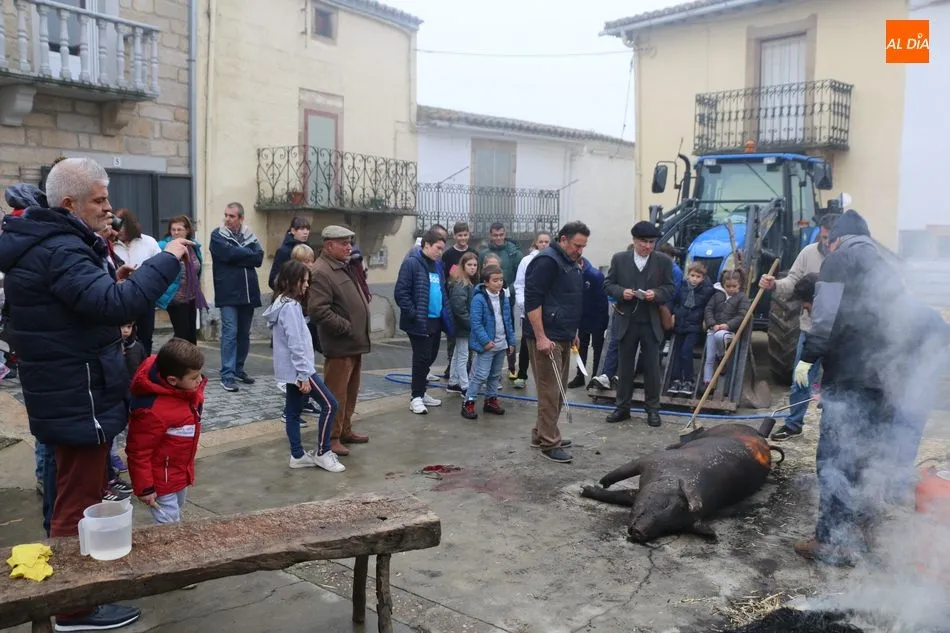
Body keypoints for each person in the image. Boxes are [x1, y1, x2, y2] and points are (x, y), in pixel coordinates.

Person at [0, 157, 191, 631]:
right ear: (70, 203)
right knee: (76, 501)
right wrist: (168, 258)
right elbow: (114, 306)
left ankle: (71, 594)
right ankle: (71, 609)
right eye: (100, 199)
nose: (109, 209)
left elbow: (86, 303)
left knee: (76, 494)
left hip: (73, 389)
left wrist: (113, 283)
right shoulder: (61, 247)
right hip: (77, 393)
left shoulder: (54, 243)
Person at [790, 209, 950, 565]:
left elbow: (825, 314)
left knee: (834, 459)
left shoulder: (836, 259)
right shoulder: (885, 268)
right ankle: (861, 533)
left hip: (849, 380)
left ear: (836, 238)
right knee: (866, 458)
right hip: (884, 383)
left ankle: (831, 541)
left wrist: (809, 356)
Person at [758, 213, 838, 440]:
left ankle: (833, 427)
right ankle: (794, 424)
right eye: (823, 237)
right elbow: (792, 282)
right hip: (810, 329)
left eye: (831, 238)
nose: (827, 243)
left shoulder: (846, 257)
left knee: (835, 383)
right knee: (800, 377)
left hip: (837, 332)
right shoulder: (808, 253)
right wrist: (774, 285)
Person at [265, 261, 345, 472]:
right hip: (300, 371)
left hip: (292, 370)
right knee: (330, 405)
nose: (307, 285)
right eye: (305, 281)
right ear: (293, 281)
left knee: (292, 411)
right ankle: (322, 452)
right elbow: (295, 343)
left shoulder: (282, 303)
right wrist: (303, 374)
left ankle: (298, 455)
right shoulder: (290, 307)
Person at [523, 221, 590, 463]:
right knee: (550, 392)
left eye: (583, 246)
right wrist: (540, 336)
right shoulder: (547, 261)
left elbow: (567, 299)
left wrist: (572, 331)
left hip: (562, 334)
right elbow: (532, 300)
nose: (579, 250)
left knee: (557, 391)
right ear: (563, 239)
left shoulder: (570, 263)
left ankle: (541, 434)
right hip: (547, 337)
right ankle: (550, 443)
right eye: (576, 245)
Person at [127, 338, 208, 523]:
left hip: (179, 471)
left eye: (200, 375)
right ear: (172, 380)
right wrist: (145, 488)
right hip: (160, 479)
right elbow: (138, 451)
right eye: (194, 378)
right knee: (168, 522)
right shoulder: (153, 410)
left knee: (177, 509)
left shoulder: (186, 391)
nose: (200, 380)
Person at [603, 222, 676, 427]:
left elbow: (670, 288)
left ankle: (653, 410)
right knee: (625, 367)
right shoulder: (620, 259)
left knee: (652, 368)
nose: (648, 246)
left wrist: (657, 294)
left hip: (651, 321)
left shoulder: (663, 261)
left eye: (652, 242)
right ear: (634, 240)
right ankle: (622, 407)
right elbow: (608, 284)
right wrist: (621, 292)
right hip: (627, 320)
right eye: (644, 242)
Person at [308, 225, 372, 455]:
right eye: (343, 243)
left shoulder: (342, 266)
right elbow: (318, 310)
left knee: (350, 392)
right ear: (328, 245)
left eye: (349, 242)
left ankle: (345, 429)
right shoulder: (322, 271)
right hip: (340, 345)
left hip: (353, 344)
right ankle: (331, 438)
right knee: (335, 395)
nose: (349, 247)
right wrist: (346, 326)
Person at [395, 229, 452, 414]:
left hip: (436, 319)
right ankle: (416, 397)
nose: (440, 252)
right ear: (426, 245)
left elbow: (441, 292)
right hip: (419, 320)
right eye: (438, 248)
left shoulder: (437, 267)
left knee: (430, 357)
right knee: (421, 359)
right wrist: (413, 313)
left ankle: (422, 391)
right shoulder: (412, 264)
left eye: (442, 249)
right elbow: (401, 293)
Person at [210, 202, 264, 392]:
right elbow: (227, 254)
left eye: (232, 216)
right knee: (230, 333)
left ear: (241, 218)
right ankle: (227, 375)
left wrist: (239, 255)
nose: (227, 219)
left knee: (243, 334)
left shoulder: (250, 235)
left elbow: (258, 258)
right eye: (226, 215)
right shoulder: (217, 235)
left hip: (248, 294)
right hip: (228, 294)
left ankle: (238, 369)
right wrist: (245, 254)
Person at [461, 264, 516, 420]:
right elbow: (476, 324)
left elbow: (508, 320)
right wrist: (486, 341)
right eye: (495, 280)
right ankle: (468, 402)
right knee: (480, 375)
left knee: (495, 375)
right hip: (487, 346)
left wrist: (510, 341)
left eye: (501, 280)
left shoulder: (503, 296)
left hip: (501, 344)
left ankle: (491, 401)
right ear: (486, 282)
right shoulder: (479, 298)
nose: (499, 283)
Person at [113, 208, 163, 354]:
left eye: (121, 227)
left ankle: (144, 367)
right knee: (122, 335)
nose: (119, 231)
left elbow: (160, 267)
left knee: (146, 335)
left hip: (145, 295)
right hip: (121, 297)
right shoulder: (110, 243)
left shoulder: (148, 242)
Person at [479, 222, 523, 380]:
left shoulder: (514, 253)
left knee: (508, 333)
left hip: (506, 299)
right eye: (495, 235)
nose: (498, 238)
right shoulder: (484, 253)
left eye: (501, 235)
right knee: (491, 333)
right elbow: (480, 276)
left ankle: (512, 367)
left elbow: (520, 278)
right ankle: (490, 370)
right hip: (488, 299)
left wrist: (507, 291)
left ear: (505, 234)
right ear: (490, 235)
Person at [156, 215, 208, 344]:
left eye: (179, 229)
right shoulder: (163, 246)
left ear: (188, 231)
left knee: (191, 337)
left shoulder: (193, 247)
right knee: (182, 336)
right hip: (176, 298)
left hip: (191, 297)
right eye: (173, 229)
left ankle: (190, 363)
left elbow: (197, 270)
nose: (176, 232)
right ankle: (177, 362)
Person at [668, 262, 716, 397]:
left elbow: (709, 306)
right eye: (692, 275)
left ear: (703, 278)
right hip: (679, 324)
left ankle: (689, 379)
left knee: (686, 351)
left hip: (693, 326)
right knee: (677, 353)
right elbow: (675, 301)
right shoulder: (682, 287)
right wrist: (672, 314)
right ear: (688, 275)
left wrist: (706, 319)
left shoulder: (707, 290)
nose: (694, 279)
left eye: (698, 276)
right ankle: (676, 379)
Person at [512, 231, 551, 389]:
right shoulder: (526, 261)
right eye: (540, 241)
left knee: (546, 342)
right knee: (527, 343)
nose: (543, 244)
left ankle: (545, 378)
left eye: (546, 242)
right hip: (529, 309)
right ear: (536, 243)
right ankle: (522, 374)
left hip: (548, 310)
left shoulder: (553, 260)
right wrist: (524, 304)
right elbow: (519, 284)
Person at [440, 222, 478, 380]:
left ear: (469, 235)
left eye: (465, 235)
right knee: (453, 342)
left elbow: (477, 277)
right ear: (454, 236)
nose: (463, 238)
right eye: (460, 235)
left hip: (469, 300)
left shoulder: (473, 253)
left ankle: (464, 370)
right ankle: (453, 370)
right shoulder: (448, 255)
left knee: (466, 346)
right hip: (455, 300)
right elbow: (444, 277)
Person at [702, 268, 751, 387]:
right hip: (713, 329)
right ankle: (707, 383)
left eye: (734, 286)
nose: (731, 289)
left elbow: (742, 315)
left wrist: (728, 325)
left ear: (739, 285)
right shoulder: (717, 296)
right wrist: (712, 324)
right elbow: (708, 310)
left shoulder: (742, 298)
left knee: (720, 336)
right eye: (728, 286)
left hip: (729, 331)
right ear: (723, 285)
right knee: (709, 358)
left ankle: (721, 356)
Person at [569, 257, 610, 388]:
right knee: (581, 347)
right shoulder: (572, 274)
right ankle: (580, 375)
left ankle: (595, 377)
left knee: (597, 348)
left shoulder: (595, 275)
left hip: (597, 317)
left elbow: (602, 300)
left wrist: (603, 322)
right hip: (582, 317)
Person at [446, 251, 479, 394]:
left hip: (461, 325)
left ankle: (453, 382)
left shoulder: (466, 282)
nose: (473, 267)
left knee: (457, 354)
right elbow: (459, 307)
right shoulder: (461, 283)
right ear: (463, 265)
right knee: (463, 355)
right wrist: (470, 324)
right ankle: (464, 386)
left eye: (475, 265)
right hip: (462, 325)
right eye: (469, 264)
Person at [268, 215, 311, 291]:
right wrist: (288, 293)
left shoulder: (309, 249)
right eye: (302, 229)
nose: (306, 232)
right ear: (293, 231)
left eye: (307, 229)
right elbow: (273, 280)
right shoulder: (283, 251)